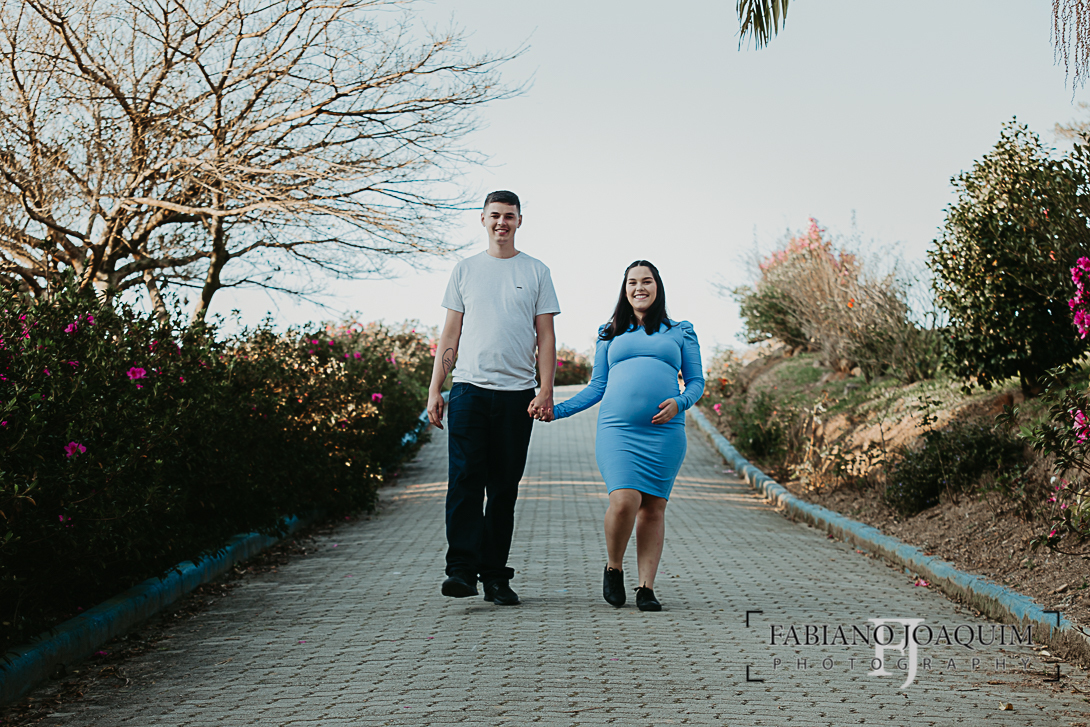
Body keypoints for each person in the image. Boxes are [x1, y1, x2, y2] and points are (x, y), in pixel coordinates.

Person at [543, 260, 703, 611]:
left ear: (658, 286)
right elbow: (597, 386)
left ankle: (646, 587)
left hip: (664, 432)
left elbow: (696, 382)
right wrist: (558, 410)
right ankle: (613, 567)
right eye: (632, 282)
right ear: (625, 289)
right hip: (618, 430)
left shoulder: (681, 331)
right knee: (624, 500)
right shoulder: (609, 332)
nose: (639, 288)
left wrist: (679, 403)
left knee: (654, 508)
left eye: (647, 281)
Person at [427, 190, 560, 606]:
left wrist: (546, 390)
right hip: (468, 390)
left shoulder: (536, 271)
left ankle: (495, 578)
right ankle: (461, 571)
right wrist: (435, 387)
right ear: (483, 219)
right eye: (495, 215)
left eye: (509, 216)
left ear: (520, 221)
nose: (502, 222)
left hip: (517, 396)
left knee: (503, 490)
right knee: (464, 482)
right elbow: (450, 333)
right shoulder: (465, 270)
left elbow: (546, 336)